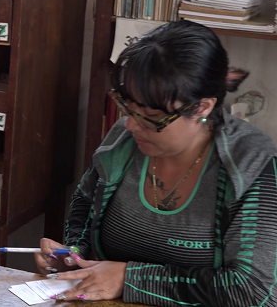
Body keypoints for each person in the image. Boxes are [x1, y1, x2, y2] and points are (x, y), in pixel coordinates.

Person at [35, 20, 277, 306]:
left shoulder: (250, 166)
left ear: (202, 107)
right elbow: (85, 206)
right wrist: (75, 255)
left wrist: (130, 279)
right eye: (129, 108)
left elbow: (254, 290)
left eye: (151, 117)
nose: (131, 126)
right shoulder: (123, 146)